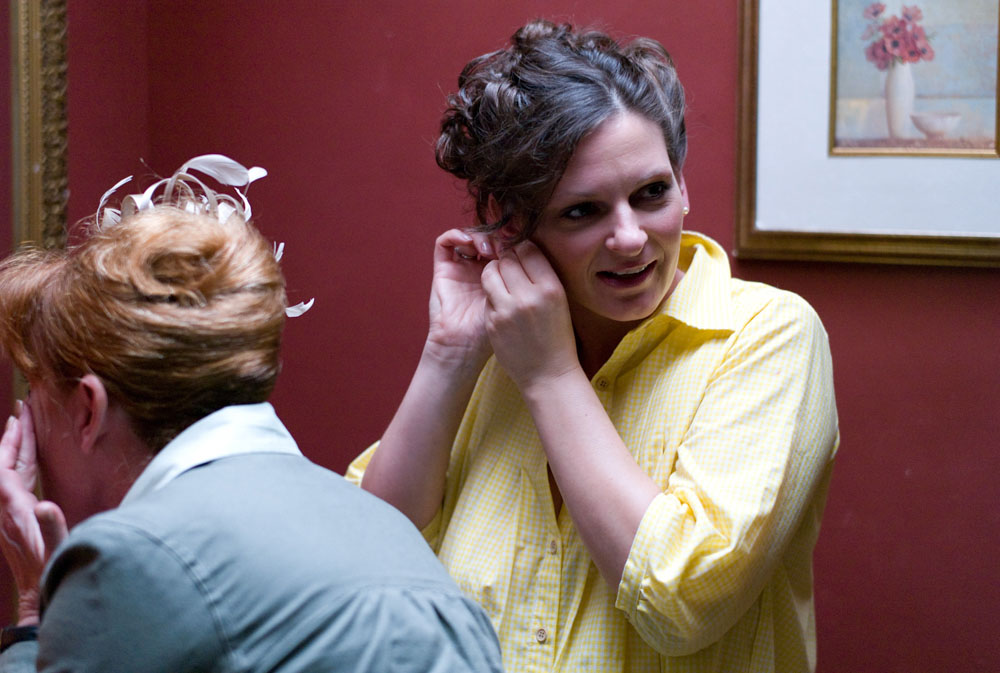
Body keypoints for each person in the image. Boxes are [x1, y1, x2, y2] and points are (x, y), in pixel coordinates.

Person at [347, 19, 839, 673]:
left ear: (683, 184)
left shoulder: (767, 335)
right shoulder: (498, 344)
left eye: (652, 192)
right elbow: (368, 566)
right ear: (517, 224)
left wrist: (550, 375)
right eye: (583, 211)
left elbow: (681, 602)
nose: (632, 237)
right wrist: (451, 351)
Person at [0, 155, 503, 673]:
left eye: (35, 395)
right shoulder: (391, 530)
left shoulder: (129, 558)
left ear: (88, 409)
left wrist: (36, 612)